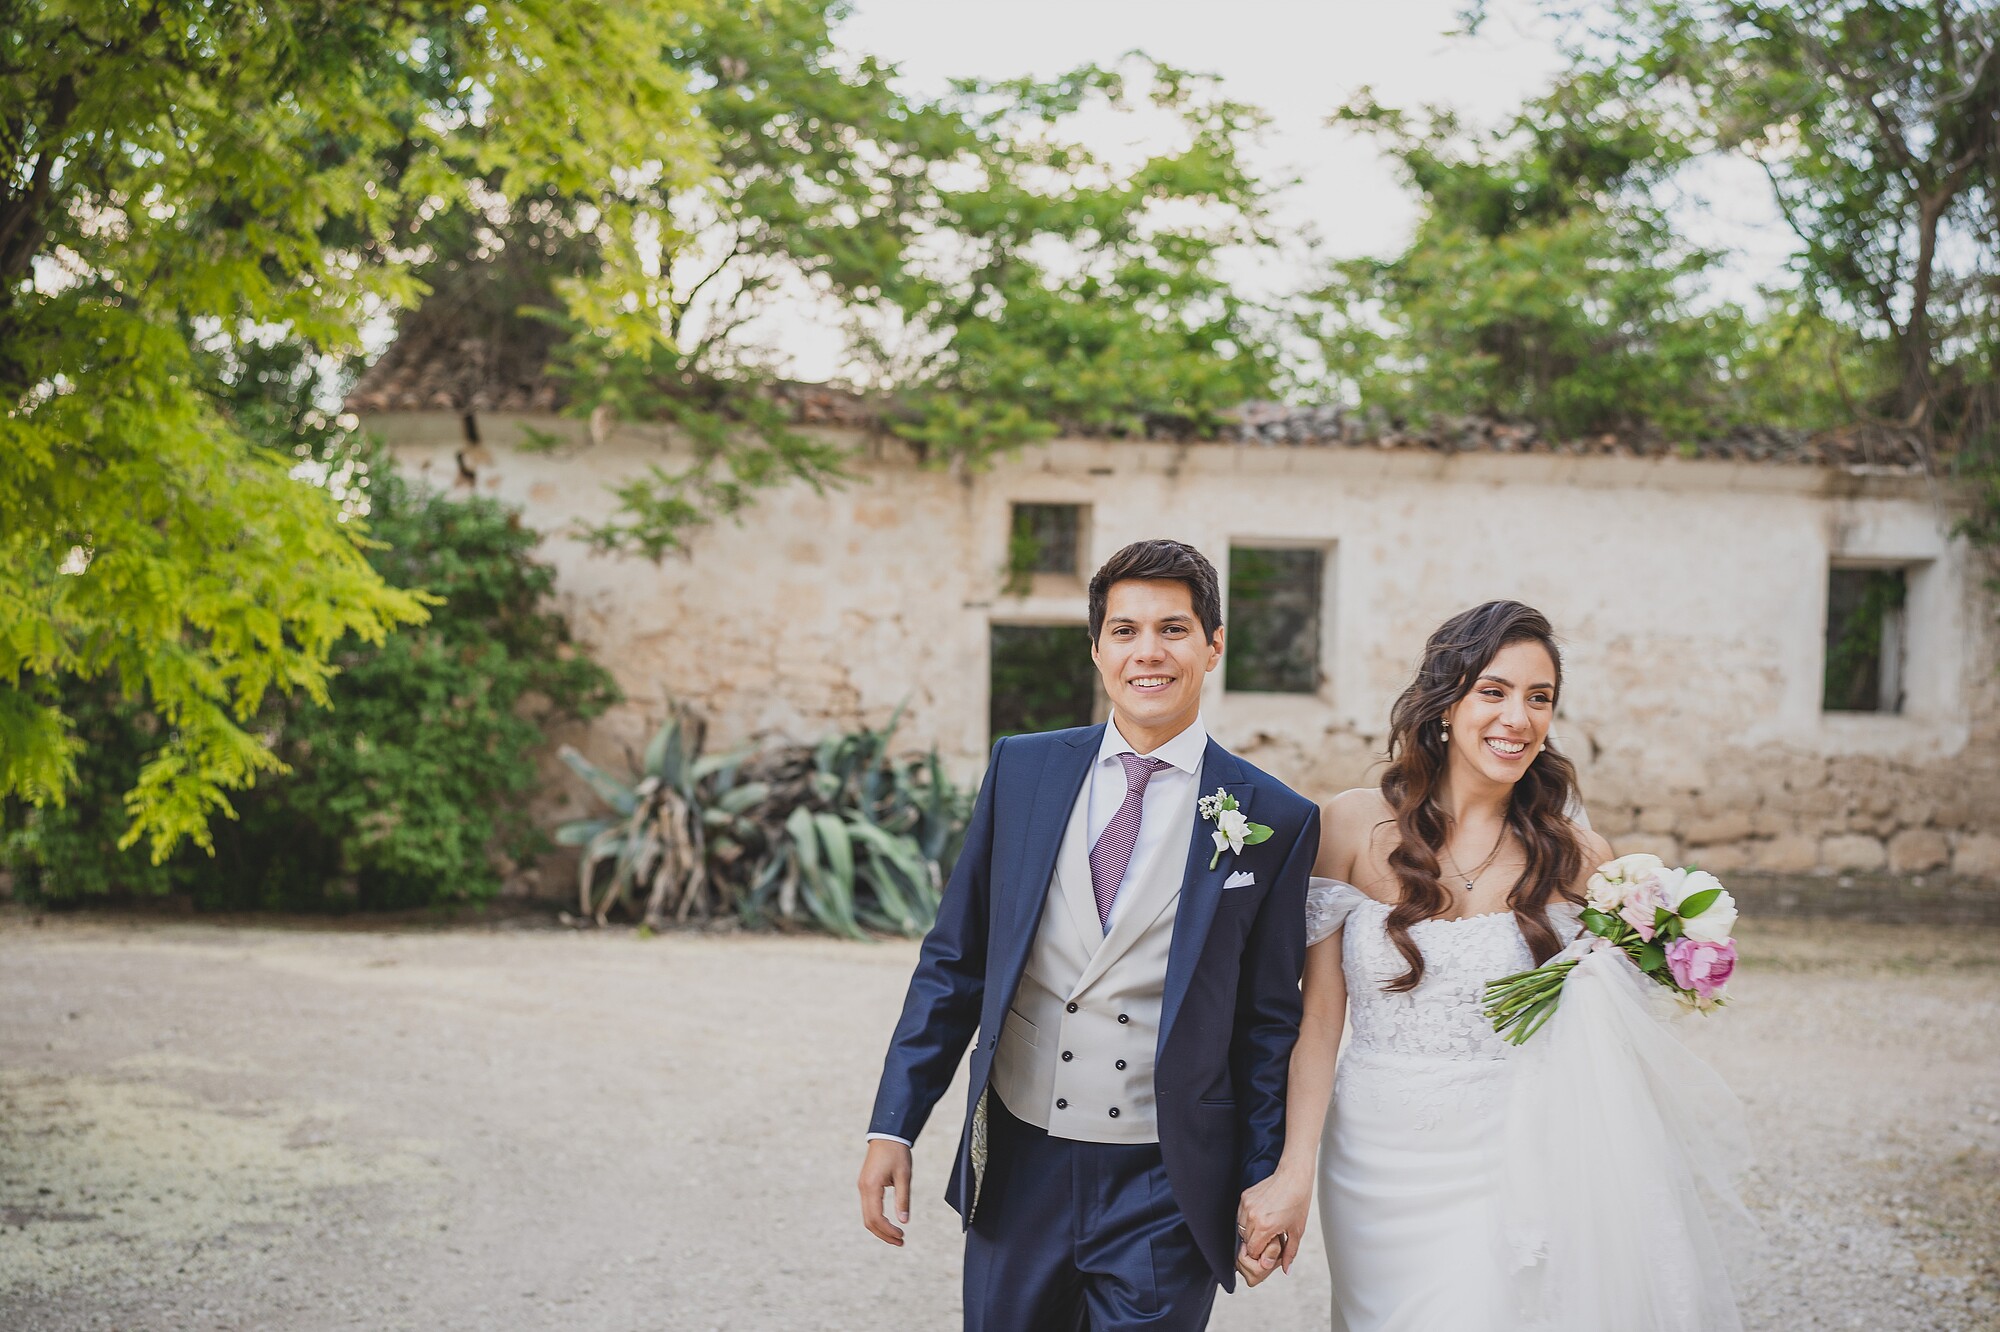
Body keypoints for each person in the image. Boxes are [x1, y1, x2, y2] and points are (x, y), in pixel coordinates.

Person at [1236, 600, 1750, 1331]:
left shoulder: (1576, 856)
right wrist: (1291, 1173)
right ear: (1446, 703)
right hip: (1377, 1161)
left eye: (1540, 699)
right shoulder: (1349, 828)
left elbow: (1604, 1029)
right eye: (1495, 691)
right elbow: (1317, 1023)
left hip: (1517, 1151)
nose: (1518, 718)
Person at [858, 539, 1321, 1331]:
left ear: (1213, 646)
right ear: (1097, 647)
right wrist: (893, 1123)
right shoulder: (1023, 770)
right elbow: (954, 962)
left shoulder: (1275, 817)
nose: (1149, 653)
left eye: (1174, 630)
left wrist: (1262, 1175)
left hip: (1167, 1181)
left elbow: (1268, 1021)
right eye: (1125, 630)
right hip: (1020, 1166)